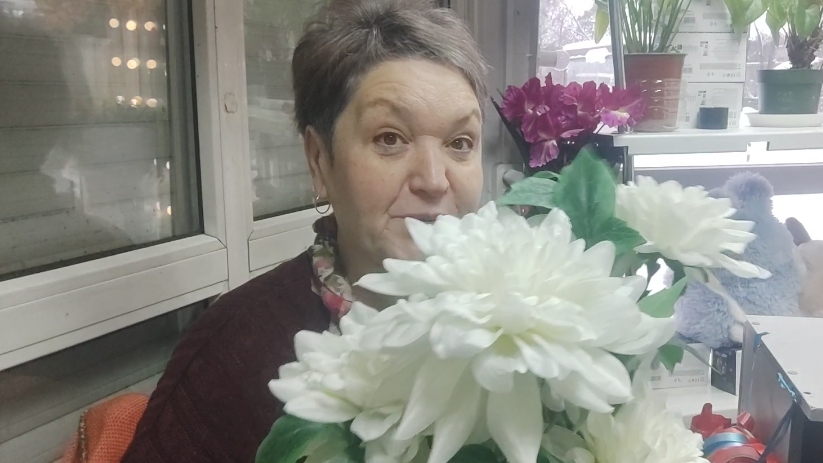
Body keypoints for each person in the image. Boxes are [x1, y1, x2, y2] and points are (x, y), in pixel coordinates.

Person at [121, 0, 488, 461]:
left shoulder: (518, 319)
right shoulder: (233, 351)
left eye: (460, 143)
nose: (434, 180)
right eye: (390, 138)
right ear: (319, 161)